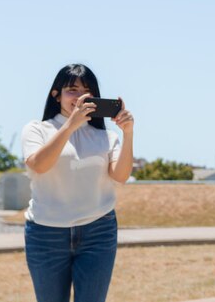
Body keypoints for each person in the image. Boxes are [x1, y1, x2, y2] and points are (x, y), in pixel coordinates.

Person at [21, 64, 134, 302]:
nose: (81, 96)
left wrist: (128, 133)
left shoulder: (106, 137)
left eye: (88, 90)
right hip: (46, 233)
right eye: (72, 89)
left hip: (98, 230)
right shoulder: (37, 130)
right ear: (56, 94)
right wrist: (70, 125)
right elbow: (39, 165)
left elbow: (121, 176)